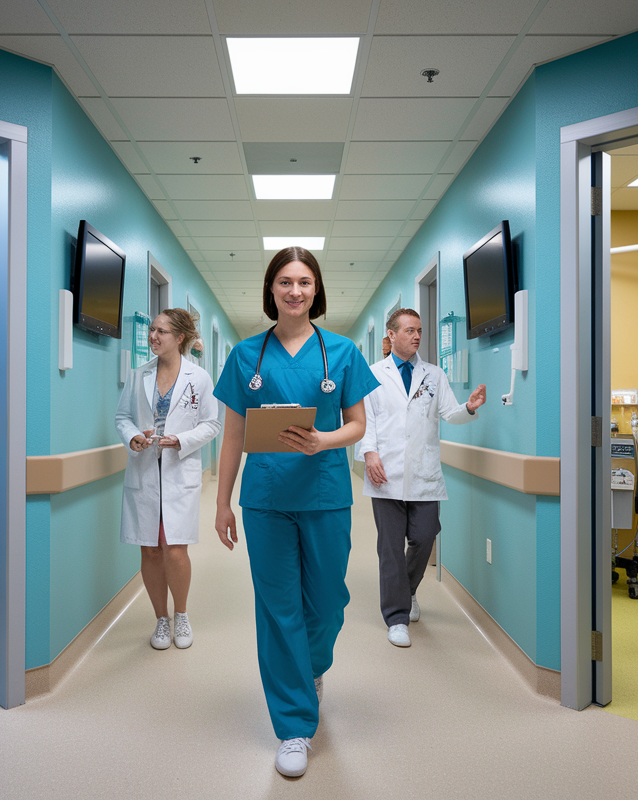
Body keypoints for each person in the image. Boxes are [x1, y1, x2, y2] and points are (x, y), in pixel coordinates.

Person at [213, 247, 379, 779]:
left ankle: (309, 669)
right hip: (265, 498)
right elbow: (233, 434)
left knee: (329, 601)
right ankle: (292, 725)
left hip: (326, 492)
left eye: (304, 282)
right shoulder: (245, 355)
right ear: (271, 290)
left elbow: (356, 425)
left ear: (316, 290)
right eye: (285, 281)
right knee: (278, 606)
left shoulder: (343, 351)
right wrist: (221, 502)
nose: (295, 291)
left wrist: (322, 440)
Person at [360, 308, 486, 647]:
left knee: (424, 536)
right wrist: (370, 453)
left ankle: (408, 589)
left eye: (419, 330)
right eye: (410, 330)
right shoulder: (372, 374)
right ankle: (397, 617)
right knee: (389, 548)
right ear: (391, 335)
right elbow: (365, 421)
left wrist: (470, 408)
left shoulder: (434, 374)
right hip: (384, 471)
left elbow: (450, 413)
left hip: (424, 473)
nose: (417, 336)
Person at [114, 309, 221, 650]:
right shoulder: (139, 375)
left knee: (175, 550)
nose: (153, 336)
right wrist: (132, 436)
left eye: (161, 331)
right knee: (150, 550)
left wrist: (182, 440)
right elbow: (123, 416)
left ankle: (182, 613)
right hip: (145, 469)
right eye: (152, 330)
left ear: (180, 338)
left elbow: (212, 424)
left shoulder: (199, 378)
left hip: (178, 469)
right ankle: (161, 618)